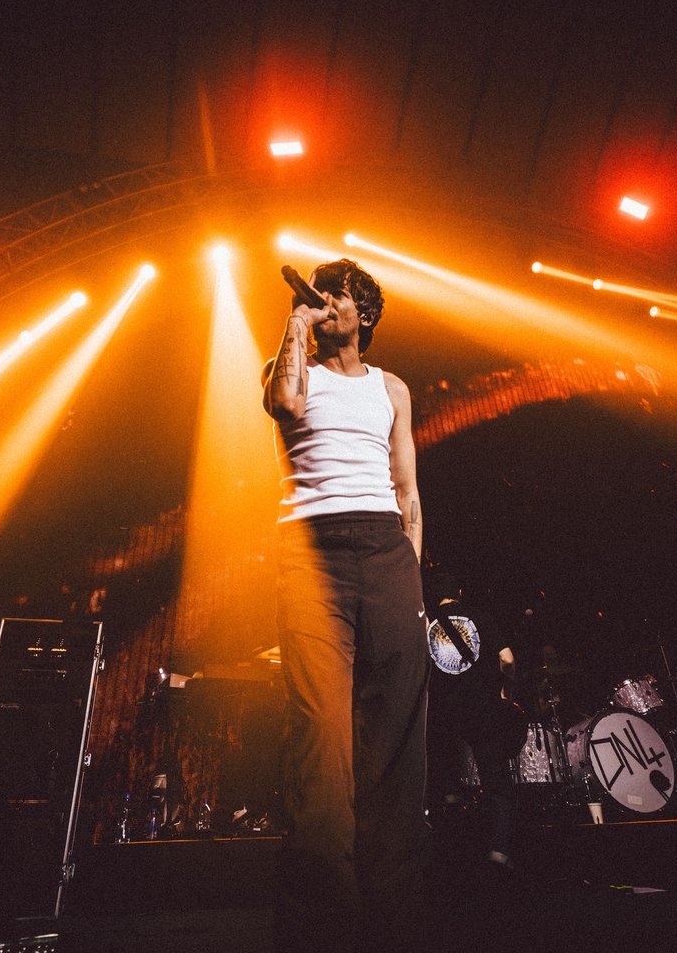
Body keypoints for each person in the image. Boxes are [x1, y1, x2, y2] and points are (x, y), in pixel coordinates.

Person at [262, 258, 427, 953]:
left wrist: (410, 572)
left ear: (366, 313)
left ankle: (394, 912)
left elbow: (407, 489)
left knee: (395, 726)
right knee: (321, 733)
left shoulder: (392, 387)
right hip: (312, 555)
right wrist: (296, 323)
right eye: (320, 293)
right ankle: (327, 920)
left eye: (339, 295)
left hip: (386, 550)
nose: (325, 301)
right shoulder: (288, 367)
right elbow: (286, 407)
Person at [423, 569, 519, 872]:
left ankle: (449, 856)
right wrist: (505, 692)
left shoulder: (426, 621)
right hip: (481, 707)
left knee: (445, 785)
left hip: (442, 712)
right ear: (460, 593)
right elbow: (507, 659)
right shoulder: (480, 616)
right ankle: (498, 852)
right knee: (496, 780)